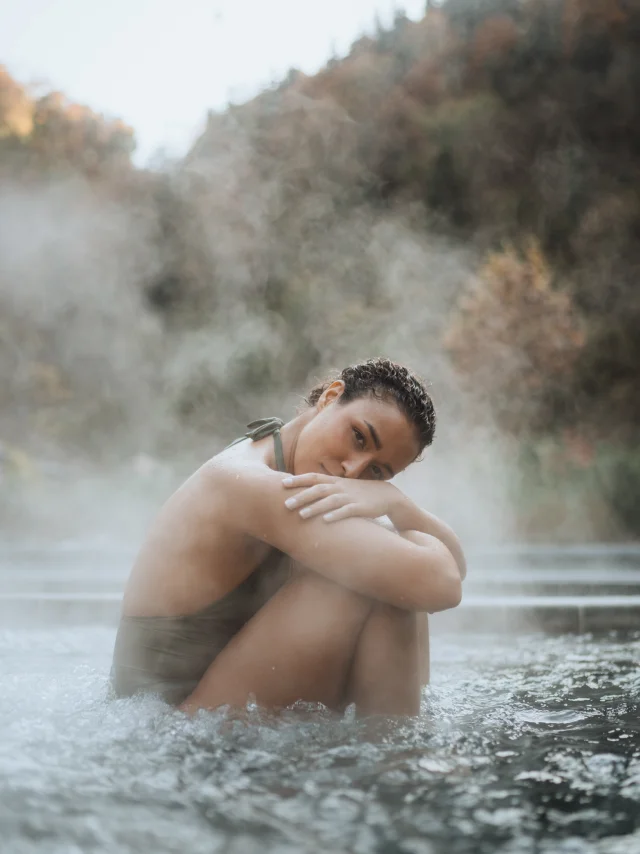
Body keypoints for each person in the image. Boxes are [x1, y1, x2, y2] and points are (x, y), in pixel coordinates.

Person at [111, 358, 466, 716]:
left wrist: (399, 505)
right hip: (169, 725)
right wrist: (392, 502)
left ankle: (393, 755)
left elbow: (452, 570)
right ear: (331, 396)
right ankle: (396, 762)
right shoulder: (248, 482)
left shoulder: (286, 464)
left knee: (392, 576)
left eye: (377, 471)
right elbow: (444, 583)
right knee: (372, 582)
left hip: (207, 709)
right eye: (358, 436)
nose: (352, 470)